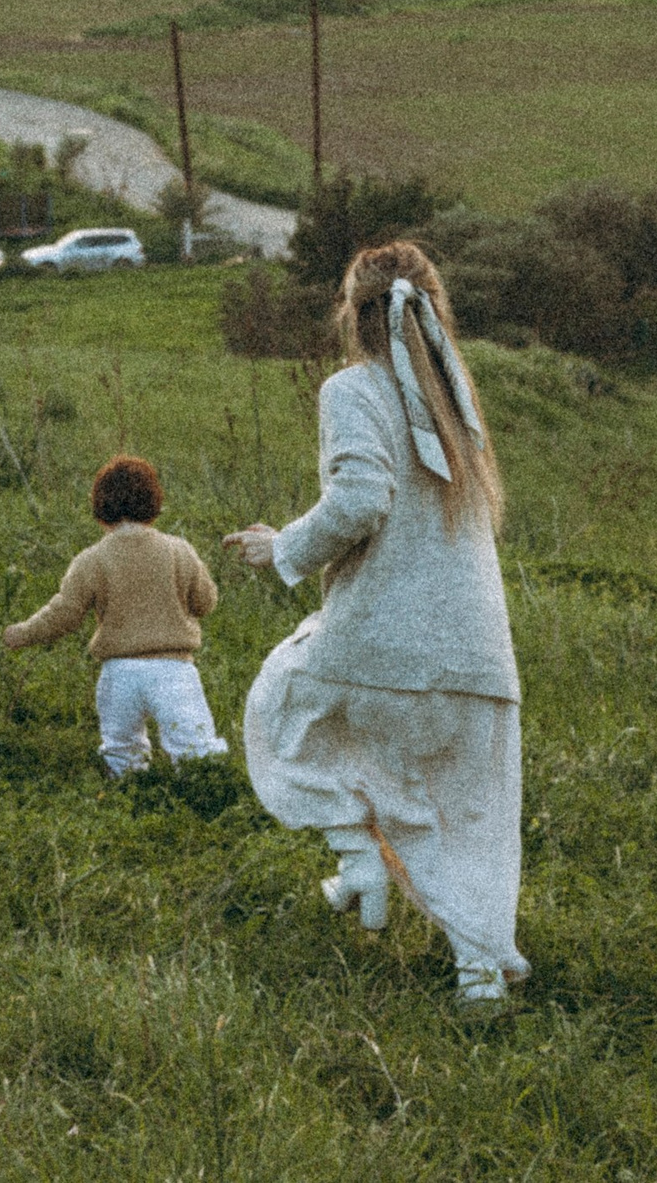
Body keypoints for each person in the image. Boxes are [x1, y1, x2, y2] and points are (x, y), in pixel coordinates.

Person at [224, 241, 528, 1003]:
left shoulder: (353, 389)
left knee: (280, 707)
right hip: (479, 659)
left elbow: (362, 499)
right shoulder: (455, 399)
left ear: (350, 314)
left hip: (385, 643)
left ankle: (358, 860)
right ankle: (480, 970)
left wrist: (280, 548)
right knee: (463, 819)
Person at [2, 455, 226, 775]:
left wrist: (23, 633)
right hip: (174, 670)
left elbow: (65, 613)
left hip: (119, 672)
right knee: (197, 748)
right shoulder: (179, 550)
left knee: (122, 750)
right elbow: (205, 602)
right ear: (154, 505)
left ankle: (127, 792)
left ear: (100, 509)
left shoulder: (92, 559)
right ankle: (207, 798)